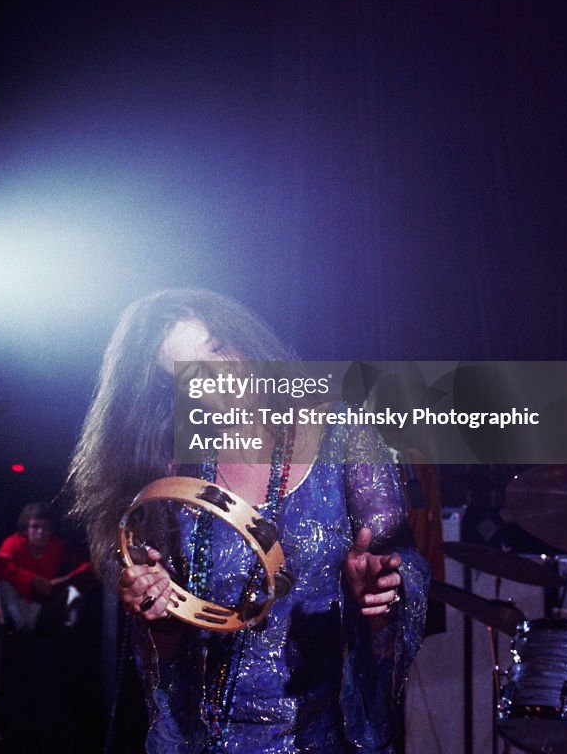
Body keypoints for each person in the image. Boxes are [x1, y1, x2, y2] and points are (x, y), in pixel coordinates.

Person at [68, 289, 429, 754]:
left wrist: (377, 594)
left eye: (217, 347)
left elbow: (403, 564)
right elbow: (171, 661)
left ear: (244, 340)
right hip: (212, 742)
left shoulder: (344, 434)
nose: (220, 375)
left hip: (324, 735)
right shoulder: (173, 476)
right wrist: (158, 617)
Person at [0, 502, 92, 633]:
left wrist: (63, 580)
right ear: (26, 529)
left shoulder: (56, 546)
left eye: (45, 527)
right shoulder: (14, 543)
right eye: (35, 527)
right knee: (3, 584)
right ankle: (14, 630)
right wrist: (33, 580)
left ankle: (68, 632)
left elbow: (86, 566)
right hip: (18, 607)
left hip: (42, 607)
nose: (40, 532)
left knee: (74, 592)